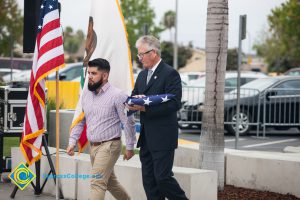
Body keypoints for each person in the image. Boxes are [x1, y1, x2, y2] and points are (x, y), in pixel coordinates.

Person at [127, 35, 188, 200]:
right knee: (149, 181)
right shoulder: (141, 75)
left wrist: (145, 108)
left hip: (163, 137)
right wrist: (132, 102)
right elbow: (134, 97)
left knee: (163, 178)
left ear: (153, 52)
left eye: (141, 54)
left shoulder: (170, 73)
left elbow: (174, 103)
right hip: (146, 138)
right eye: (138, 55)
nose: (139, 59)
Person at [66, 58, 136, 200]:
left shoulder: (118, 95)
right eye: (89, 73)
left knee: (97, 182)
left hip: (109, 145)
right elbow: (81, 120)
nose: (89, 77)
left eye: (93, 73)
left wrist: (130, 147)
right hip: (93, 147)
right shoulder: (86, 93)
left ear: (105, 76)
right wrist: (72, 142)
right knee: (110, 183)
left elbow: (128, 122)